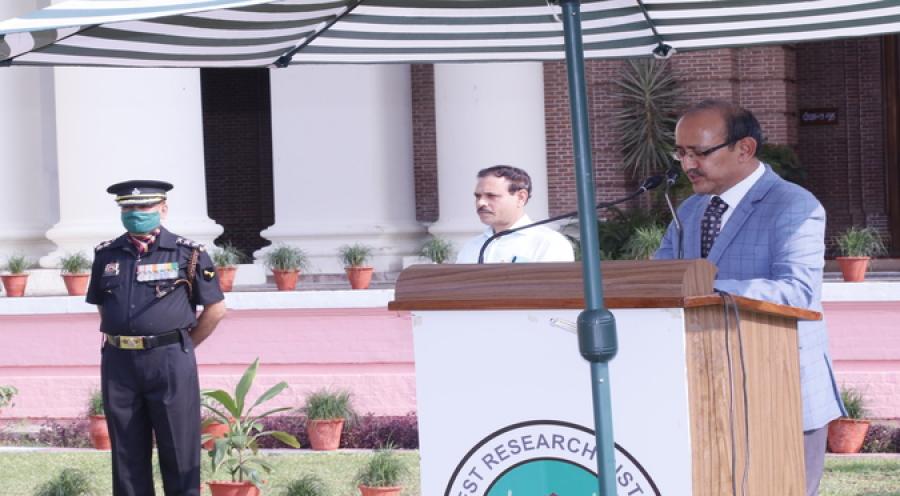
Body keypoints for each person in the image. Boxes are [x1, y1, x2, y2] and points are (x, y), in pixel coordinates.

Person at [655, 100, 844, 496]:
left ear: (744, 148)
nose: (687, 165)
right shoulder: (689, 210)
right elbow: (662, 279)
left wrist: (706, 288)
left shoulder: (794, 204)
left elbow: (798, 293)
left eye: (699, 152)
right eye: (681, 153)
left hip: (780, 389)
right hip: (708, 390)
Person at [86, 179, 227, 496]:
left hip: (169, 360)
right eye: (128, 208)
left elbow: (216, 309)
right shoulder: (107, 255)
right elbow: (103, 306)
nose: (136, 212)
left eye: (144, 206)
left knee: (178, 447)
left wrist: (182, 344)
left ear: (163, 209)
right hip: (119, 362)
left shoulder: (188, 253)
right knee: (126, 451)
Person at [455, 165, 575, 263]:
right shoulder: (471, 246)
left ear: (521, 197)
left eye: (491, 196)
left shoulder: (549, 243)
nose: (480, 203)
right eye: (478, 196)